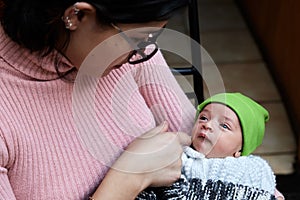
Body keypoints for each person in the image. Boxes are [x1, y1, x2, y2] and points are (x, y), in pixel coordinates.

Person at [0, 0, 196, 199]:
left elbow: (198, 145)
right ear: (77, 15)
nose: (142, 52)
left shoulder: (129, 50)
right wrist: (130, 177)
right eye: (136, 39)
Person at [137, 92, 284, 199]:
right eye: (204, 117)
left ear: (240, 150)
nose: (207, 125)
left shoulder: (253, 169)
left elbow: (262, 191)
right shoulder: (178, 156)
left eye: (225, 126)